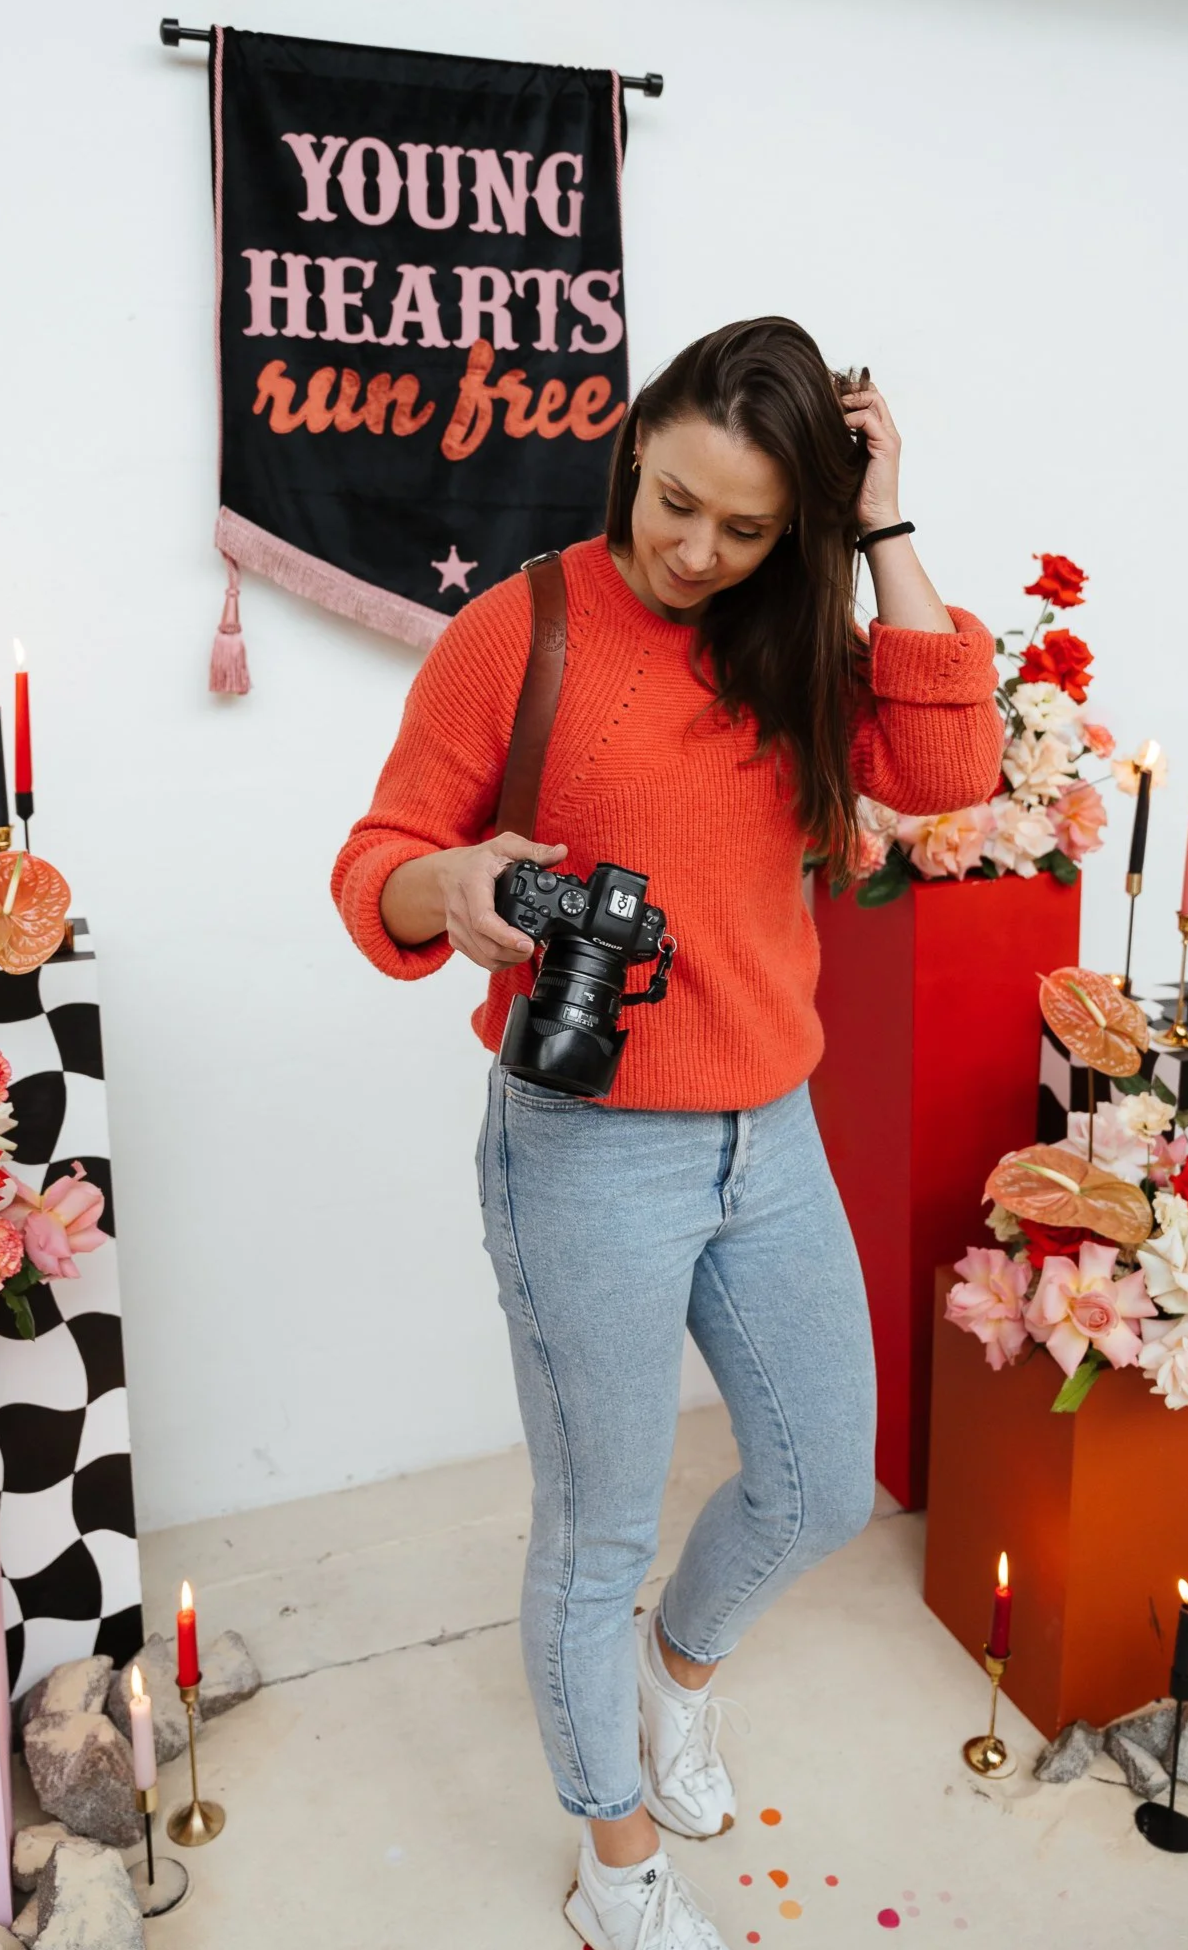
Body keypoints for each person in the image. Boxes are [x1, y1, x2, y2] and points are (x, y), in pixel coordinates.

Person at [332, 316, 1002, 1950]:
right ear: (635, 444)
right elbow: (377, 862)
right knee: (598, 1534)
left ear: (798, 525)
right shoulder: (523, 627)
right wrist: (451, 884)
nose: (697, 550)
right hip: (585, 1149)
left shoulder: (795, 643)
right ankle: (615, 1868)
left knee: (820, 1480)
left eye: (748, 526)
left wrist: (885, 519)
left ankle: (669, 1678)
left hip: (770, 1132)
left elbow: (950, 764)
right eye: (676, 501)